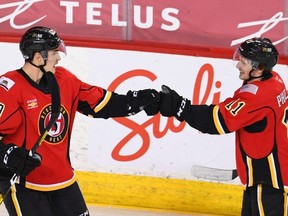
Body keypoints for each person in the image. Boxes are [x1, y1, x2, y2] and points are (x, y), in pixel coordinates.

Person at [0, 26, 159, 216]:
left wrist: (137, 101)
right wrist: (8, 154)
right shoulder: (10, 88)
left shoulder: (64, 79)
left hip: (63, 181)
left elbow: (101, 104)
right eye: (53, 52)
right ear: (37, 57)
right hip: (24, 185)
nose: (58, 57)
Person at [156, 37, 288, 215]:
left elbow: (217, 122)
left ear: (259, 68)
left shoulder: (258, 96)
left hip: (268, 182)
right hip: (263, 176)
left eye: (243, 62)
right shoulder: (273, 80)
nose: (238, 66)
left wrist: (180, 108)